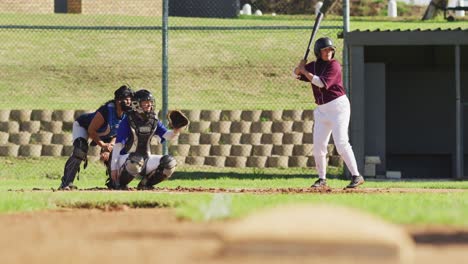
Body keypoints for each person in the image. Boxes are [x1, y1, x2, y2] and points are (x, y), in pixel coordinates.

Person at [294, 37, 364, 189]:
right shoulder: (314, 65)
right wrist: (299, 68)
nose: (328, 52)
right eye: (325, 50)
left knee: (341, 142)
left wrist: (304, 71)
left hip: (338, 107)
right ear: (318, 52)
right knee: (319, 145)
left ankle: (356, 175)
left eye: (330, 50)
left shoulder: (334, 65)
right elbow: (296, 75)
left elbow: (320, 83)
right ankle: (322, 179)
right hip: (321, 110)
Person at [59, 85, 134, 190]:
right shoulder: (106, 111)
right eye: (126, 99)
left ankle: (115, 182)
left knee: (115, 151)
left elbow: (118, 134)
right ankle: (66, 183)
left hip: (105, 134)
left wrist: (109, 147)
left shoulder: (127, 114)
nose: (129, 102)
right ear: (118, 100)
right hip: (84, 126)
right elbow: (91, 130)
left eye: (130, 99)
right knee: (80, 150)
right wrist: (102, 145)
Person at [108, 89, 183, 190]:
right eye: (145, 103)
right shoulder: (127, 121)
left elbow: (166, 135)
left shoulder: (153, 120)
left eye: (150, 103)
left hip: (145, 158)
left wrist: (175, 130)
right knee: (135, 160)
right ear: (136, 104)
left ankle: (145, 184)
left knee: (170, 163)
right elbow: (118, 147)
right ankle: (119, 184)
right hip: (125, 160)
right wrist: (114, 168)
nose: (149, 105)